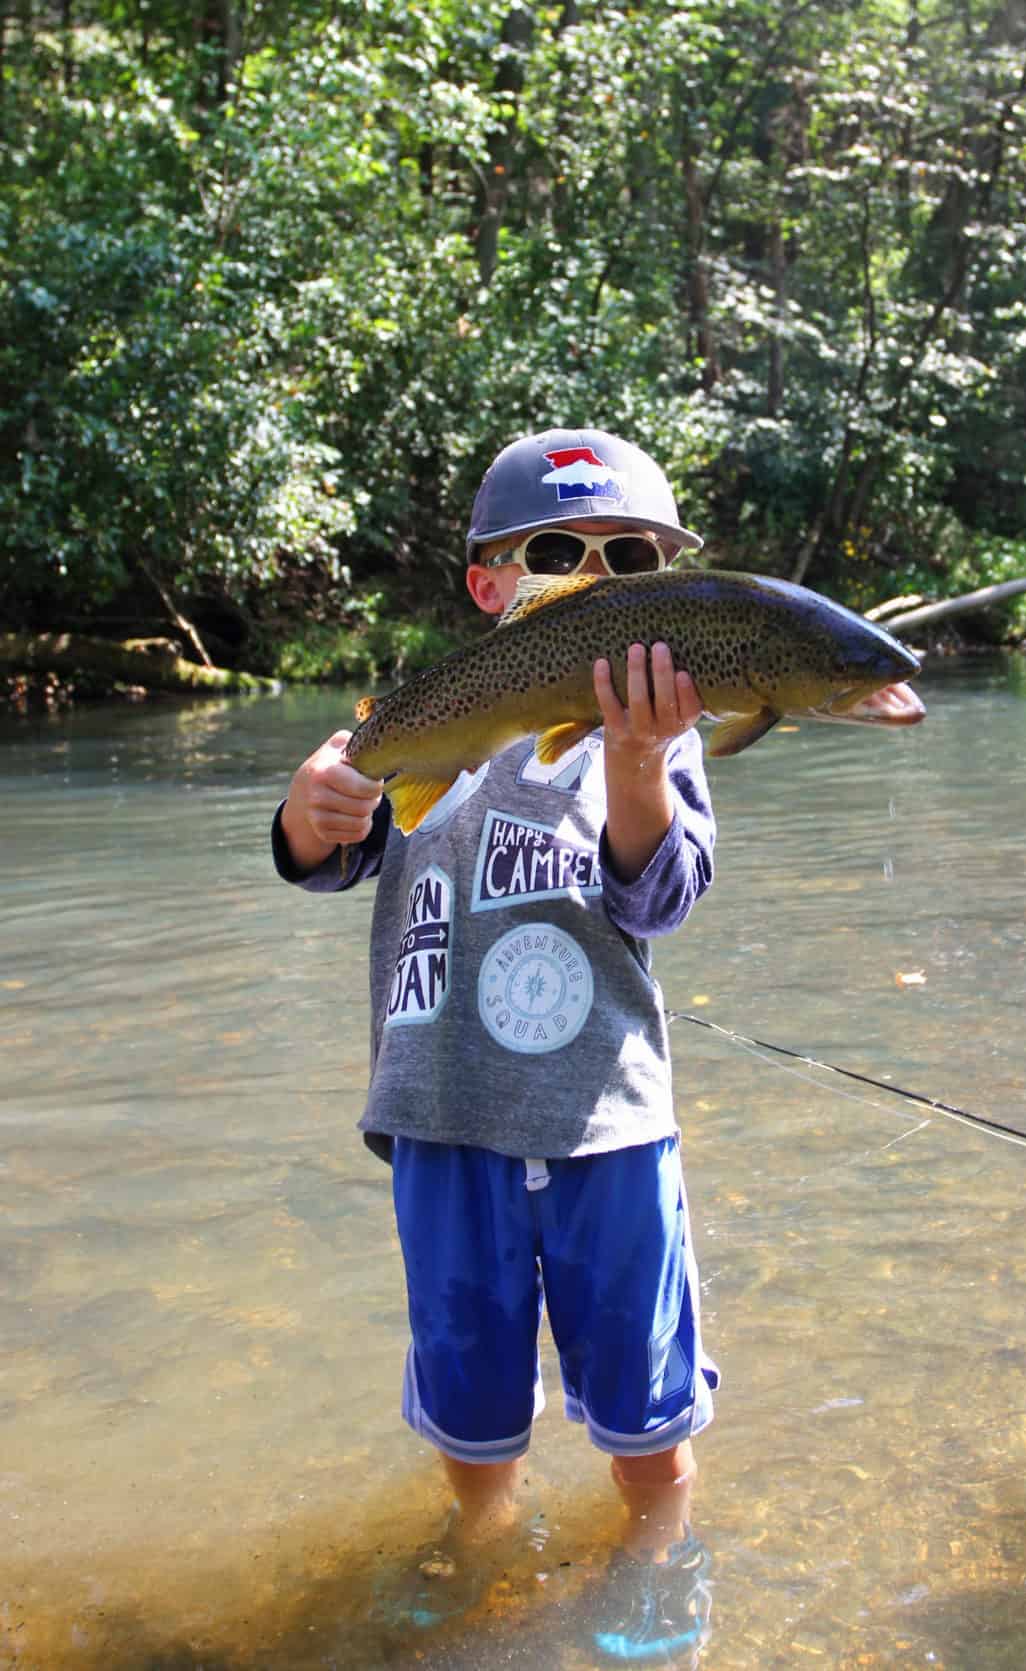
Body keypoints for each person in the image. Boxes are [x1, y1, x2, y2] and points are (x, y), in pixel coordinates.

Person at [272, 429, 719, 1660]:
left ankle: (655, 1557)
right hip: (440, 1118)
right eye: (559, 553)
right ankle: (486, 1546)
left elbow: (661, 895)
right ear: (487, 582)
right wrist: (308, 813)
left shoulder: (669, 731)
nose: (595, 574)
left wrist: (633, 760)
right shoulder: (431, 716)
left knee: (648, 1418)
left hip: (606, 1127)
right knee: (470, 1407)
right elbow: (332, 845)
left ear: (670, 585)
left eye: (628, 556)